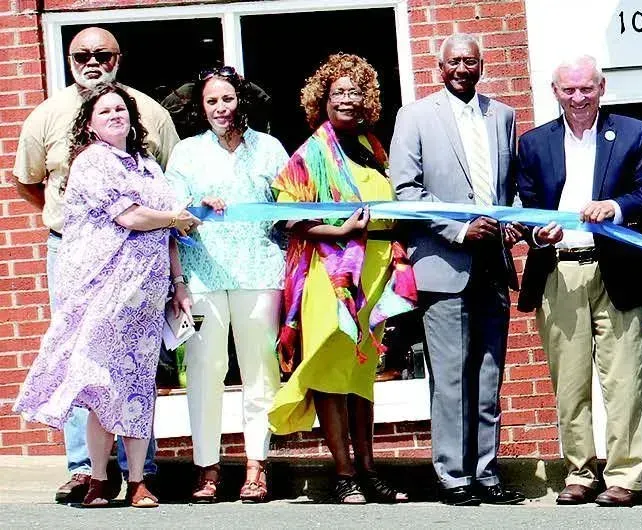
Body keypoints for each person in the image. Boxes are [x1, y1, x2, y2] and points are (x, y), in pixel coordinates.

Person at [10, 26, 179, 504]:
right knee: (83, 361)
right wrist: (75, 225)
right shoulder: (47, 114)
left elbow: (168, 177)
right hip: (76, 254)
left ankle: (138, 472)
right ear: (69, 59)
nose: (91, 60)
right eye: (80, 53)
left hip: (143, 265)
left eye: (102, 53)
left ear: (117, 58)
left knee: (134, 367)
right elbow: (28, 181)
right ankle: (86, 469)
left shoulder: (150, 112)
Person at [266, 53, 416, 505]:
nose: (347, 99)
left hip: (374, 272)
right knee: (332, 370)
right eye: (338, 93)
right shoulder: (310, 153)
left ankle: (370, 471)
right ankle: (345, 473)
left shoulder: (375, 148)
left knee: (362, 374)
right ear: (322, 100)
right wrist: (341, 231)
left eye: (355, 92)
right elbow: (286, 217)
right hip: (328, 273)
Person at [515, 54, 642, 508]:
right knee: (570, 382)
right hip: (560, 269)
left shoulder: (635, 133)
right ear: (554, 91)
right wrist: (537, 232)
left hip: (616, 267)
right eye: (568, 90)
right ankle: (579, 472)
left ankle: (623, 477)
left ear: (602, 87)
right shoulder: (534, 143)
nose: (578, 98)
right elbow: (525, 208)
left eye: (586, 89)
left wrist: (615, 207)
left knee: (623, 380)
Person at [389, 33, 527, 507]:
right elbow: (405, 191)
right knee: (450, 378)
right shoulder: (416, 116)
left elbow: (511, 191)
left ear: (482, 65)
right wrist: (457, 230)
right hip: (445, 263)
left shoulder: (502, 115)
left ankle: (487, 474)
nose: (463, 68)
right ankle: (454, 477)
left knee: (489, 375)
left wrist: (514, 222)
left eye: (472, 60)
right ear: (440, 66)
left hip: (493, 263)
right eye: (455, 61)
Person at [162, 66, 288, 504]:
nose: (221, 108)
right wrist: (195, 208)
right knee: (204, 370)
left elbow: (289, 207)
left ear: (241, 101)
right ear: (201, 106)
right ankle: (207, 467)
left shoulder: (270, 148)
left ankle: (257, 464)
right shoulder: (185, 154)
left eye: (228, 99)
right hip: (203, 275)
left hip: (259, 270)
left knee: (260, 370)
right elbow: (172, 216)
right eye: (212, 101)